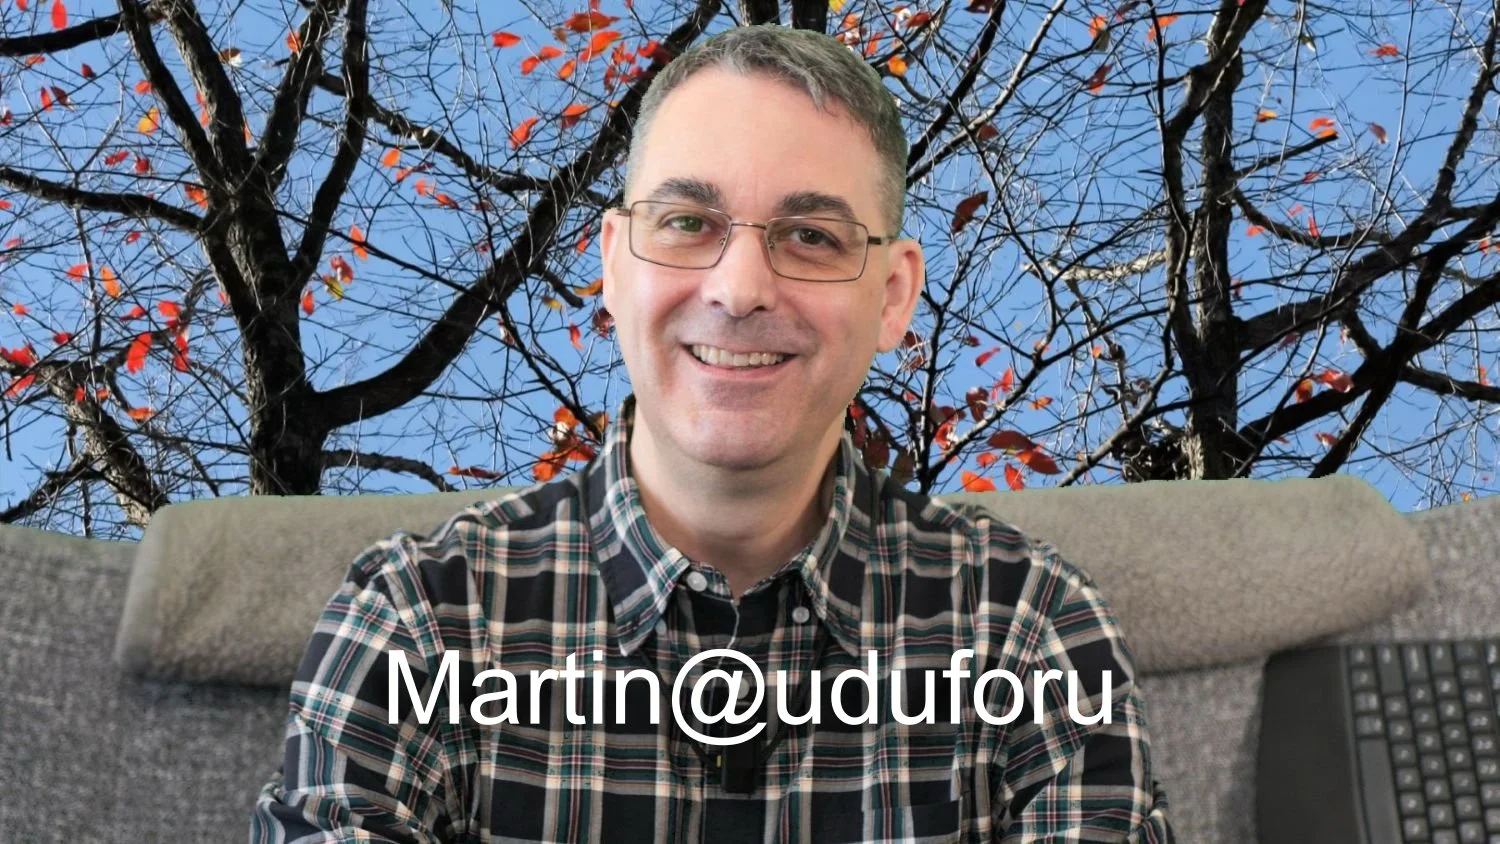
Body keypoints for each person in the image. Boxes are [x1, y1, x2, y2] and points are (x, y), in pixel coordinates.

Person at [251, 22, 1174, 843]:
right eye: (687, 223)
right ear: (612, 265)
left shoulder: (1027, 627)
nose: (738, 289)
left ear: (892, 295)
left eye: (811, 235)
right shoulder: (416, 623)